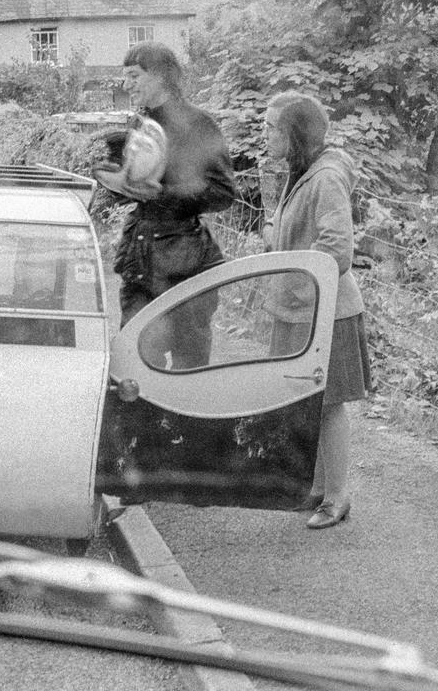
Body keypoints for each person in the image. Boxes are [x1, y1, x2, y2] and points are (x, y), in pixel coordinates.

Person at [262, 89, 371, 529]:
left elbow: (337, 249)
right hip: (302, 307)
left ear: (296, 134)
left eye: (272, 127)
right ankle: (320, 489)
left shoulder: (325, 177)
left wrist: (296, 276)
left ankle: (338, 497)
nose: (265, 134)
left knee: (328, 404)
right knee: (312, 401)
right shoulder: (302, 169)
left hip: (326, 311)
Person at [94, 42, 236, 369]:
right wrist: (120, 178)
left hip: (185, 264)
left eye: (134, 75)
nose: (126, 84)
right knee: (135, 366)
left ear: (159, 75)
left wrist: (162, 195)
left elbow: (222, 192)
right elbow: (129, 191)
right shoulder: (139, 124)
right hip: (141, 260)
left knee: (189, 371)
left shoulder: (199, 124)